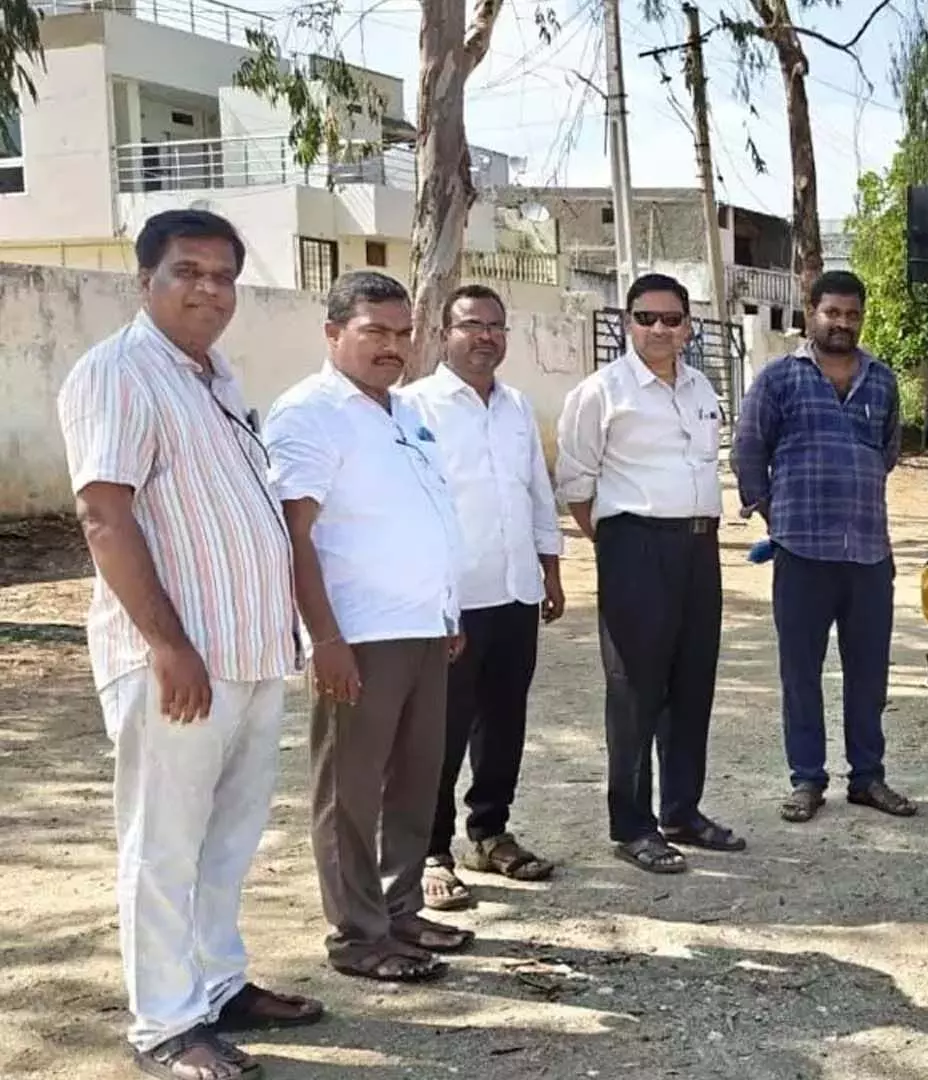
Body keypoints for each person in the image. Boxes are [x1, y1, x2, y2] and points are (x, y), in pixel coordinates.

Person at [56, 209, 327, 1080]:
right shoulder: (120, 374)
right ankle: (166, 1026)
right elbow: (105, 513)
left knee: (229, 836)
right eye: (187, 271)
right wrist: (167, 646)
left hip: (249, 655)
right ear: (146, 280)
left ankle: (218, 985)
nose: (208, 289)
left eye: (222, 275)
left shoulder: (214, 376)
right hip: (179, 663)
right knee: (163, 842)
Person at [265, 270, 474, 982]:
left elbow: (424, 513)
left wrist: (445, 608)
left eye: (401, 334)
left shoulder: (402, 411)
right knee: (349, 791)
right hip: (358, 637)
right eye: (374, 333)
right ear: (333, 335)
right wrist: (323, 638)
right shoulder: (310, 413)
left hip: (421, 628)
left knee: (415, 783)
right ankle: (357, 934)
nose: (392, 347)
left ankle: (401, 909)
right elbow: (294, 535)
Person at [555, 272, 739, 874]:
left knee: (692, 684)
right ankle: (632, 823)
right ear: (627, 322)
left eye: (671, 318)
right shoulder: (600, 393)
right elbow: (577, 486)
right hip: (635, 546)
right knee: (635, 690)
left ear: (689, 325)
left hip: (698, 549)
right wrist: (620, 544)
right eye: (645, 318)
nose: (659, 329)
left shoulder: (700, 388)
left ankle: (682, 809)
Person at [395, 284, 565, 911]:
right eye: (471, 324)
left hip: (515, 589)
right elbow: (409, 509)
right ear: (444, 332)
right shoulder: (413, 407)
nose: (485, 336)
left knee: (504, 720)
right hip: (453, 599)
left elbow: (535, 493)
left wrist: (550, 569)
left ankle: (489, 832)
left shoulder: (516, 406)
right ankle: (431, 850)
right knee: (441, 727)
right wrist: (427, 596)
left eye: (495, 326)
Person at [732, 269, 915, 823]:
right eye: (832, 312)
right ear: (811, 311)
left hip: (867, 554)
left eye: (852, 314)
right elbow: (748, 452)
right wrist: (778, 516)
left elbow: (886, 452)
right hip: (802, 552)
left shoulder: (881, 381)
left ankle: (868, 777)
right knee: (801, 672)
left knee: (868, 673)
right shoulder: (779, 379)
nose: (842, 323)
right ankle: (807, 780)